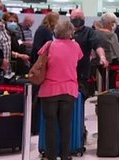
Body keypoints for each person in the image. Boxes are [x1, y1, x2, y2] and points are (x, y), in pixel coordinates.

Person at [38, 20, 83, 160]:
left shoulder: (49, 45)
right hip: (69, 89)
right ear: (71, 32)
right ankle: (65, 155)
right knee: (66, 124)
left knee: (50, 125)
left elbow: (39, 61)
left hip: (49, 90)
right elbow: (79, 59)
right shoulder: (76, 46)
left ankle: (51, 156)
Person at [70, 9, 108, 98]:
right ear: (70, 18)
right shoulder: (66, 31)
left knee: (81, 96)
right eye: (75, 17)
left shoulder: (89, 32)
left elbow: (97, 45)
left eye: (80, 17)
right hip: (67, 71)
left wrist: (102, 57)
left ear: (84, 18)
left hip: (82, 71)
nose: (78, 19)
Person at [0, 0, 11, 84]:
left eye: (0, 8)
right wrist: (0, 62)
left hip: (5, 72)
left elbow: (6, 46)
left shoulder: (3, 26)